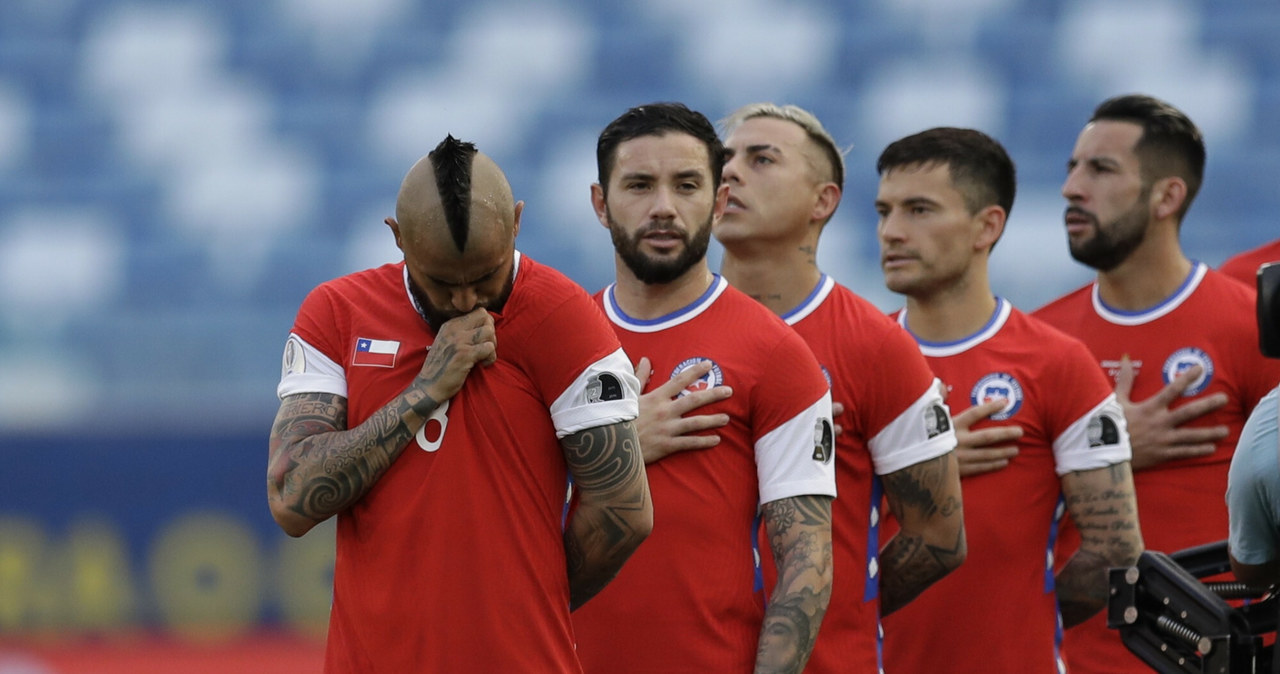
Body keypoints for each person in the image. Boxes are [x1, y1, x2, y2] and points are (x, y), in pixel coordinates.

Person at [267, 135, 653, 672]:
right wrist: (424, 393)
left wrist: (520, 608)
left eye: (485, 277)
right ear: (398, 238)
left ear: (517, 223)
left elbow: (624, 512)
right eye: (443, 282)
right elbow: (291, 496)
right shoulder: (336, 313)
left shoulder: (564, 318)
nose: (466, 301)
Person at [569, 102, 836, 674]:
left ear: (717, 202)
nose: (663, 207)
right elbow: (501, 521)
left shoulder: (777, 354)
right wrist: (618, 450)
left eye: (686, 185)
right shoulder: (552, 345)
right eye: (639, 185)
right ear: (600, 203)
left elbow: (805, 564)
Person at [875, 127, 1144, 672]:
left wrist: (1023, 614)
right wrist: (926, 465)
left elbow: (1116, 552)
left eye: (919, 210)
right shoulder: (854, 361)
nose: (891, 231)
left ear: (987, 226)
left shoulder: (1059, 365)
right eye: (885, 211)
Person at [711, 102, 965, 674]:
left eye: (761, 159)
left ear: (822, 200)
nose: (729, 172)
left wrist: (844, 603)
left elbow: (941, 536)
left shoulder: (876, 347)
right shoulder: (650, 332)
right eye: (724, 158)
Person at [1035, 94, 1280, 673]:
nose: (1072, 187)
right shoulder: (1041, 340)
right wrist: (1106, 455)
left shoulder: (1248, 325)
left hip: (1224, 655)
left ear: (1168, 195)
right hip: (1077, 660)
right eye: (1072, 167)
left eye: (1100, 169)